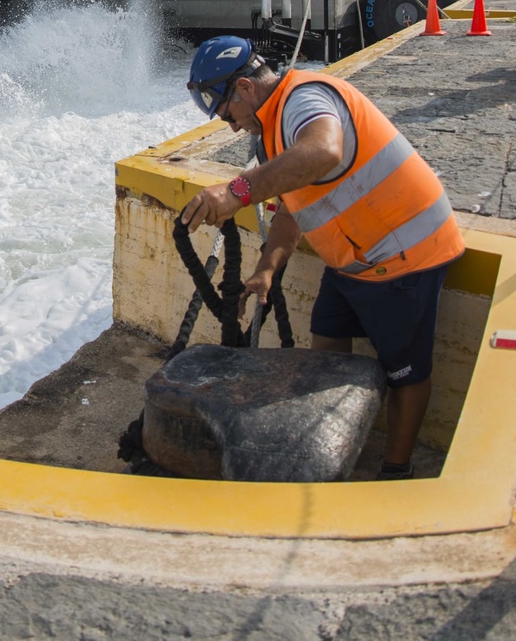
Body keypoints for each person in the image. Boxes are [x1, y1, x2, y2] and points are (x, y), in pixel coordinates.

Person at [180, 36, 464, 479]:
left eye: (228, 113)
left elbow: (323, 150)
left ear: (245, 89)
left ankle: (395, 470)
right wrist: (267, 269)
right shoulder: (273, 135)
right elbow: (291, 207)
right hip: (353, 262)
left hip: (404, 253)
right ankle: (333, 446)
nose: (232, 127)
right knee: (326, 350)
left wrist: (236, 191)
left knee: (405, 371)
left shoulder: (303, 99)